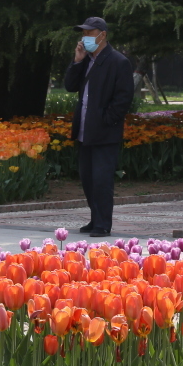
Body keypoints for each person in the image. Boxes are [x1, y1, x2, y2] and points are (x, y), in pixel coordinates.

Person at [64, 16, 134, 237]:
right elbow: (70, 86)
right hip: (85, 131)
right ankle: (95, 219)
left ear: (102, 35)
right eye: (83, 33)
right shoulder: (86, 59)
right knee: (88, 179)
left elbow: (123, 99)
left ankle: (103, 224)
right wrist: (77, 60)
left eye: (89, 33)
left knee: (102, 180)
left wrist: (106, 119)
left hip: (104, 132)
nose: (85, 38)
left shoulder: (118, 62)